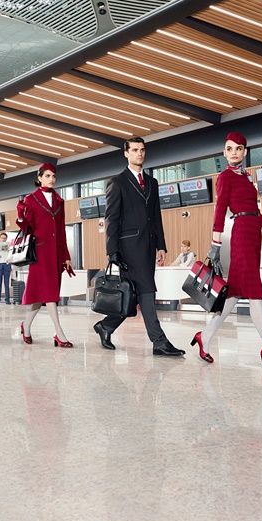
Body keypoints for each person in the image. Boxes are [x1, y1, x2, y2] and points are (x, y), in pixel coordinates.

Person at [191, 132, 262, 369]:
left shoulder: (247, 177)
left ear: (245, 152)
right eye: (229, 148)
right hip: (240, 236)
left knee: (235, 292)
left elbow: (256, 214)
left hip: (253, 234)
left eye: (238, 148)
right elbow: (220, 211)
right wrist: (215, 245)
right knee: (254, 292)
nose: (234, 152)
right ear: (224, 152)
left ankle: (204, 336)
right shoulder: (225, 177)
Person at [93, 136, 185, 356]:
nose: (139, 153)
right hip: (128, 247)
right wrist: (112, 250)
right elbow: (111, 218)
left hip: (148, 245)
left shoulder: (152, 182)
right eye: (134, 150)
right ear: (126, 153)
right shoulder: (118, 182)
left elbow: (156, 215)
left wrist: (161, 244)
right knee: (146, 289)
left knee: (134, 294)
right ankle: (159, 341)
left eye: (142, 150)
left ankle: (106, 326)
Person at [17, 163, 76, 348]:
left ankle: (26, 326)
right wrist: (20, 216)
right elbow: (27, 228)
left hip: (56, 253)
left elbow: (61, 230)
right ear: (40, 177)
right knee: (49, 294)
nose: (51, 179)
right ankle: (59, 333)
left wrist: (66, 255)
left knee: (45, 294)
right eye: (48, 176)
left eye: (53, 176)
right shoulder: (31, 199)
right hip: (40, 253)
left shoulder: (59, 200)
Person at [0, 232, 12, 304]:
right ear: (0, 238)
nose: (3, 239)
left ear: (6, 238)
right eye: (2, 238)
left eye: (4, 238)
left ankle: (7, 300)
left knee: (7, 284)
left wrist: (9, 252)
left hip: (7, 265)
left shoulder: (10, 246)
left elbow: (12, 256)